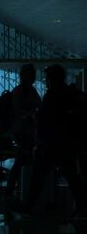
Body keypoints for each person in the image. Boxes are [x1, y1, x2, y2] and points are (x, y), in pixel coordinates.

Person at [21, 64, 86, 216]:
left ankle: (29, 205)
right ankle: (82, 203)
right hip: (66, 142)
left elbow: (44, 119)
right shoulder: (70, 92)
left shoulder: (52, 95)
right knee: (71, 175)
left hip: (51, 144)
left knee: (39, 175)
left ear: (50, 79)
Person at [4, 64, 41, 198]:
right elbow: (19, 110)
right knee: (22, 160)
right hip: (23, 131)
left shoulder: (25, 90)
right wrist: (31, 114)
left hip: (24, 130)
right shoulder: (25, 91)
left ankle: (16, 187)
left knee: (22, 160)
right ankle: (16, 188)